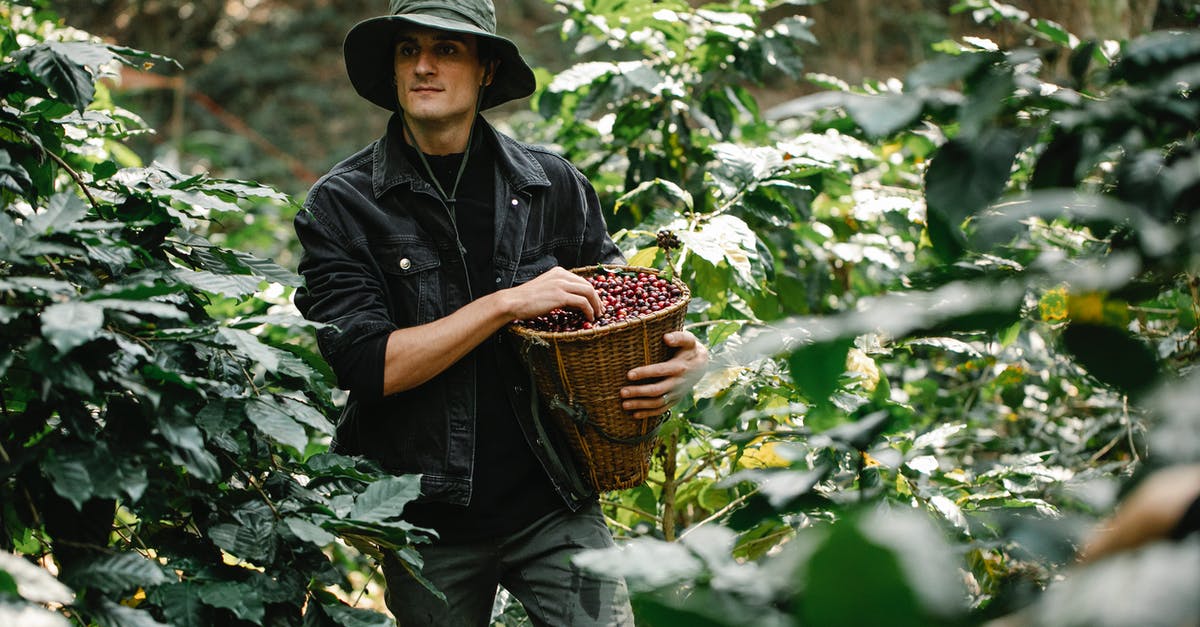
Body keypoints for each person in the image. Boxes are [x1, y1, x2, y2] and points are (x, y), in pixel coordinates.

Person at [292, 1, 709, 624]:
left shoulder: (552, 185)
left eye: (447, 50)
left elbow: (622, 310)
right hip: (428, 525)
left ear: (487, 68)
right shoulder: (344, 206)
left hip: (554, 499)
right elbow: (367, 364)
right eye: (409, 50)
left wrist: (685, 358)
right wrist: (506, 303)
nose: (423, 67)